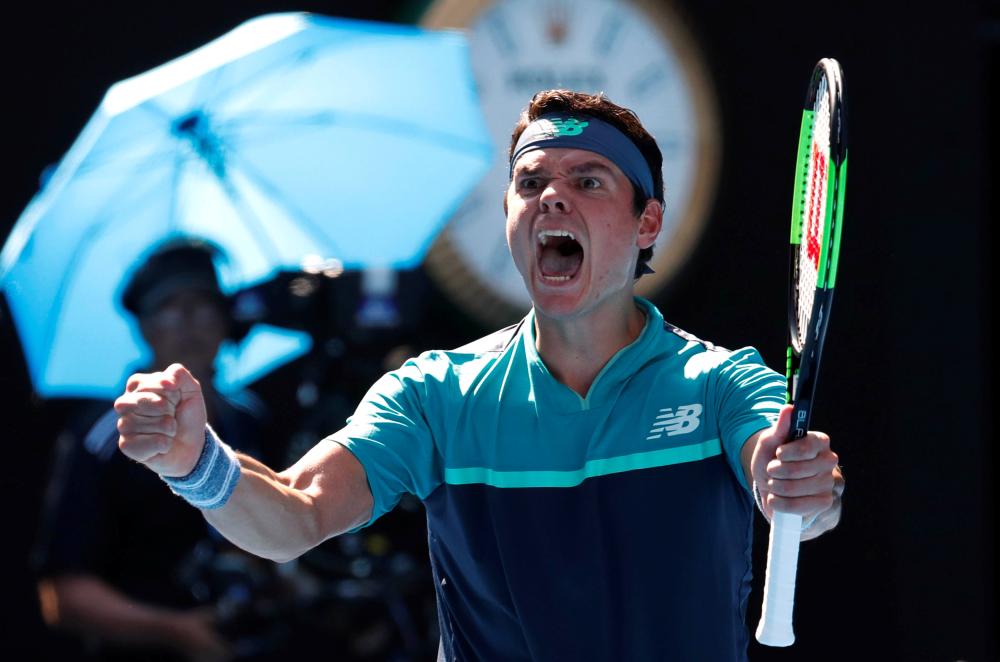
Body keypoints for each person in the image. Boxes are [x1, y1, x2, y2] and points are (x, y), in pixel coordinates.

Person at [116, 90, 845, 661]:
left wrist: (805, 494)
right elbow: (293, 515)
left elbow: (788, 483)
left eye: (587, 180)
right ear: (509, 216)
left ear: (647, 222)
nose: (551, 197)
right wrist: (194, 463)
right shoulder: (434, 396)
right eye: (530, 183)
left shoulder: (723, 384)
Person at [34, 239, 269, 662]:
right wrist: (175, 632)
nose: (189, 322)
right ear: (143, 326)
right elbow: (64, 595)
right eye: (169, 307)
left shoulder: (250, 419)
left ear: (226, 319)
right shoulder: (104, 437)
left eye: (203, 304)